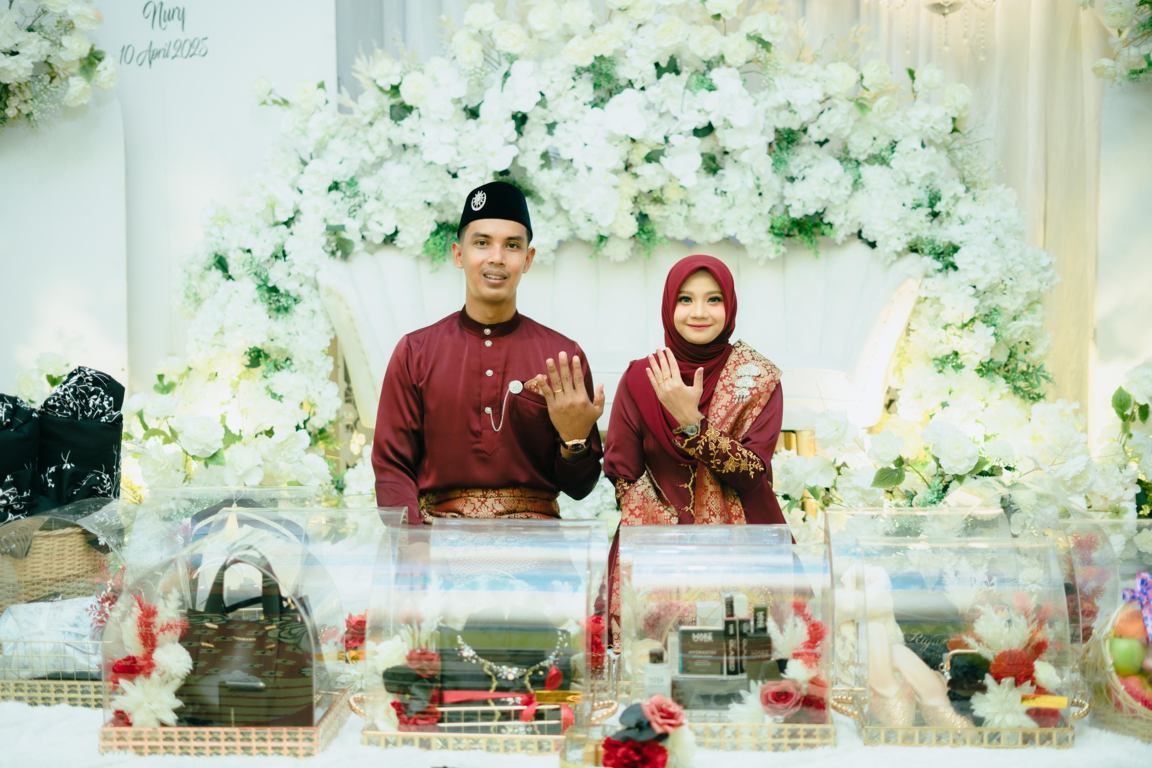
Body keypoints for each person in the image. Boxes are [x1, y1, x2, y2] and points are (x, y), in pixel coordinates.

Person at [372, 181, 605, 523]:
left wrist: (574, 441)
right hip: (439, 537)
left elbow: (580, 486)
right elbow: (392, 467)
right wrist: (414, 545)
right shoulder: (415, 352)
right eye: (482, 243)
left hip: (538, 544)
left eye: (512, 245)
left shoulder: (561, 357)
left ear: (528, 259)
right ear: (459, 254)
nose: (497, 257)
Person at [604, 254, 784, 527]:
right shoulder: (641, 378)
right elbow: (623, 474)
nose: (699, 312)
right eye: (685, 299)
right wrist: (670, 535)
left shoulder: (758, 377)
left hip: (744, 538)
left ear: (730, 305)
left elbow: (752, 475)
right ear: (668, 304)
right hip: (658, 541)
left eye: (714, 299)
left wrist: (693, 425)